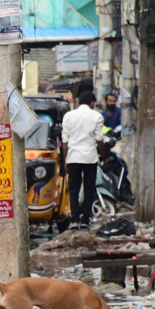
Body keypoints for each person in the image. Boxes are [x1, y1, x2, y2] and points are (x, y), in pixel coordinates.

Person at [62, 90, 106, 229]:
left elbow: (65, 141)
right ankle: (86, 220)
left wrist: (66, 159)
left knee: (74, 189)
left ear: (78, 102)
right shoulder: (97, 116)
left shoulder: (68, 116)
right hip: (90, 158)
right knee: (89, 189)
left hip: (73, 157)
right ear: (92, 103)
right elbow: (99, 139)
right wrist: (103, 156)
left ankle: (74, 220)